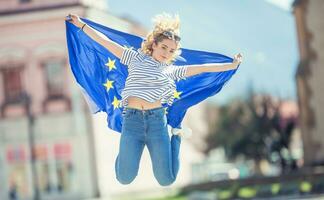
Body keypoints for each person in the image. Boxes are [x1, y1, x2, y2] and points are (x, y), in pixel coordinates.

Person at [66, 13, 242, 186]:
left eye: (171, 50)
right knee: (124, 178)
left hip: (157, 124)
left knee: (166, 180)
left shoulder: (172, 70)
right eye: (164, 47)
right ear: (154, 45)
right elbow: (106, 42)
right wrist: (81, 25)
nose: (167, 53)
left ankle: (177, 136)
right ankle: (125, 149)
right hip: (132, 123)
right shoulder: (134, 58)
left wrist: (231, 65)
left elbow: (202, 68)